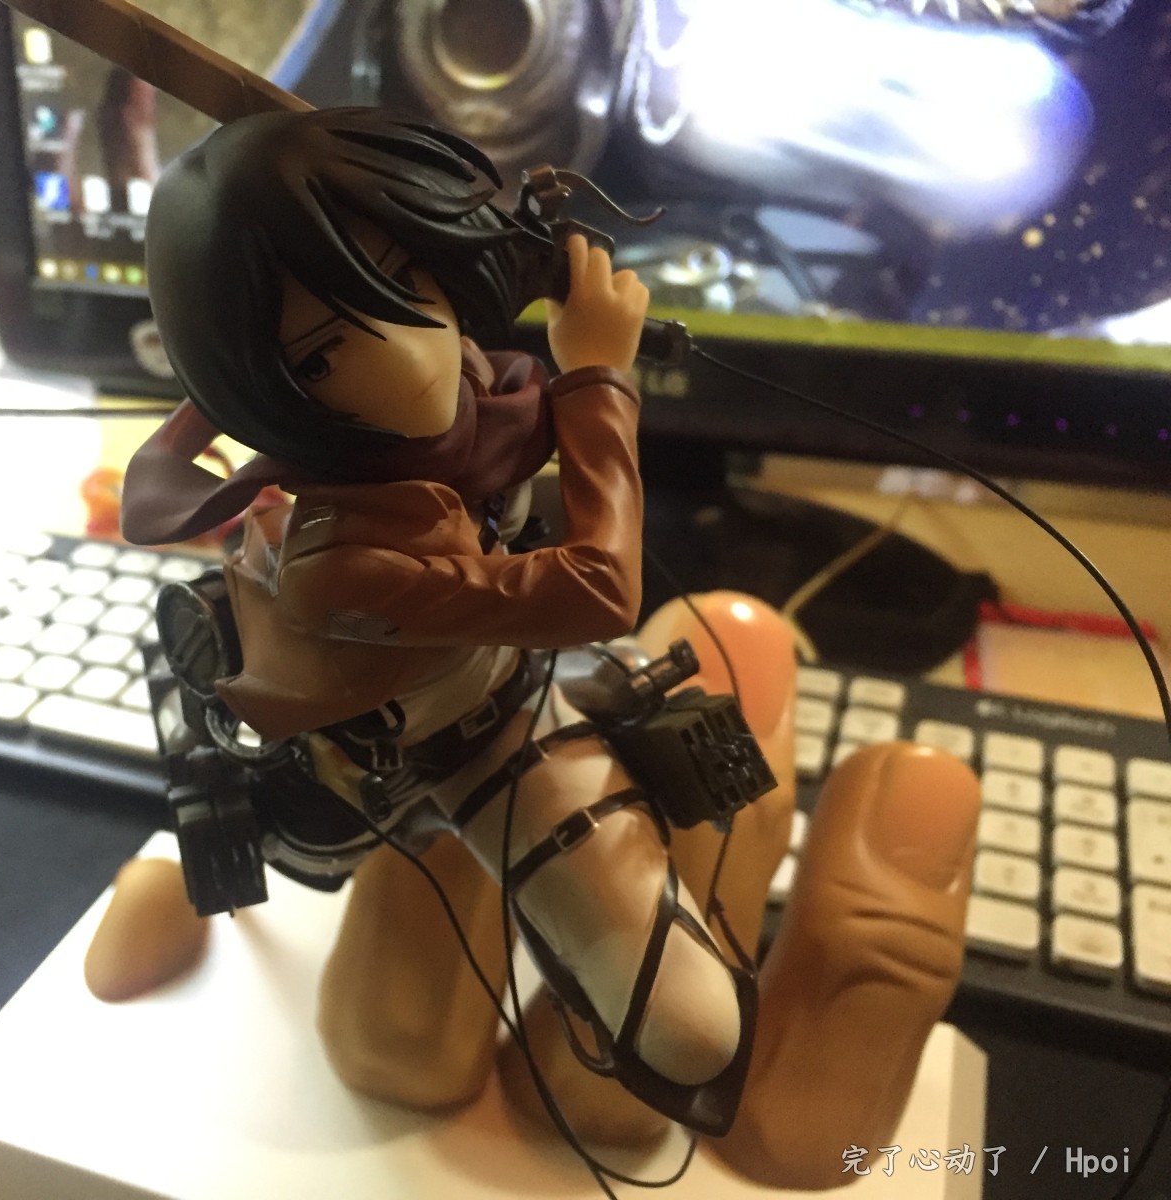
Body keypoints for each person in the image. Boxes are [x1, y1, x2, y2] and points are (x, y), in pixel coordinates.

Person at [97, 106, 980, 1181]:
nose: (400, 355)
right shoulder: (339, 556)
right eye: (321, 358)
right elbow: (598, 587)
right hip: (419, 759)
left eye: (400, 287)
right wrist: (597, 376)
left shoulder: (485, 390)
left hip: (515, 701)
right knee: (675, 1020)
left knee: (695, 980)